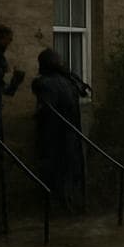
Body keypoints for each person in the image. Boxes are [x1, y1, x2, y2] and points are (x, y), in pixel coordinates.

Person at [31, 48, 88, 208]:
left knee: (55, 171)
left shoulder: (45, 83)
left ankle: (57, 205)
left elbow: (46, 109)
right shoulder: (70, 81)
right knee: (70, 170)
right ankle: (72, 203)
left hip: (54, 136)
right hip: (72, 134)